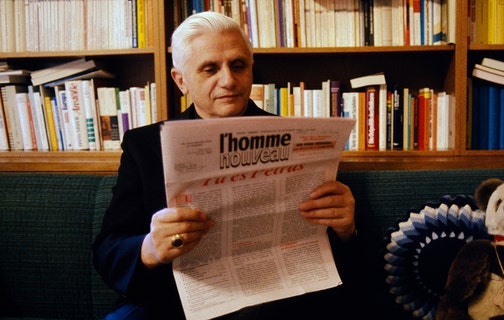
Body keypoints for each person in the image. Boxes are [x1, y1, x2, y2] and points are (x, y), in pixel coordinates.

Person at [93, 11, 360, 320]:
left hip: (276, 301)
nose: (229, 80)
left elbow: (340, 264)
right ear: (181, 80)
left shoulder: (300, 138)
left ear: (250, 68)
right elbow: (108, 250)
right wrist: (151, 248)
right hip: (177, 302)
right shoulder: (145, 145)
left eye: (238, 65)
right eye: (210, 68)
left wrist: (346, 229)